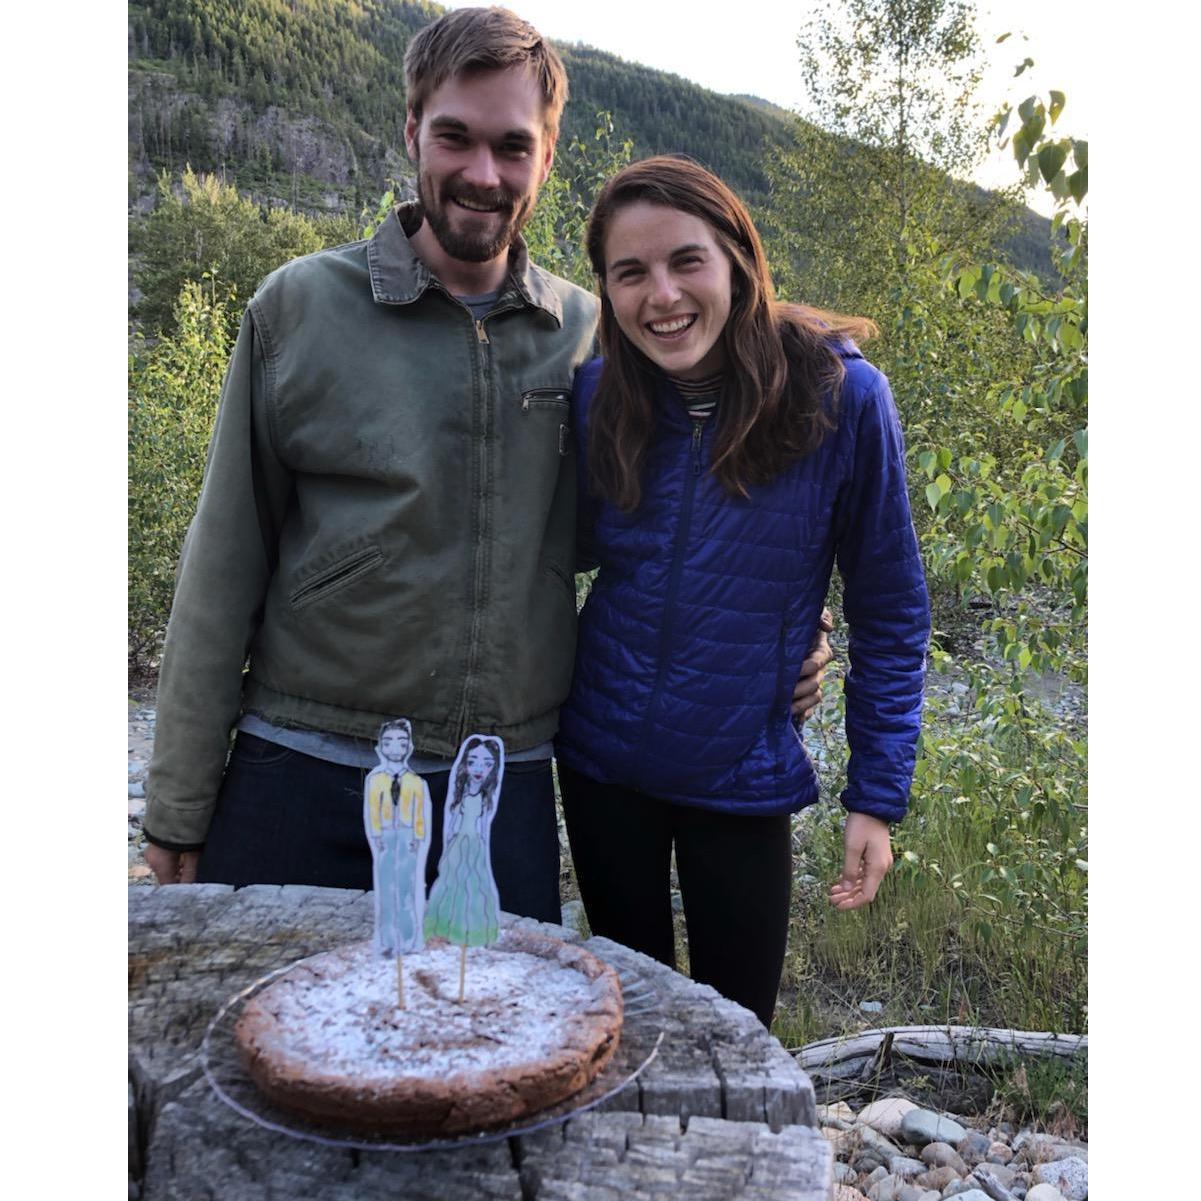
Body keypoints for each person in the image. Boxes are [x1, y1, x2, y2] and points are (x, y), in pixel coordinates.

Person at [141, 7, 832, 917]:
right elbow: (219, 570)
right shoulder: (300, 309)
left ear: (547, 158)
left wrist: (781, 636)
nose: (481, 173)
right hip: (298, 767)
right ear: (410, 132)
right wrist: (179, 808)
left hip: (496, 787)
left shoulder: (596, 336)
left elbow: (675, 531)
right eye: (454, 137)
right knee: (262, 1052)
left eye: (513, 146)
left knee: (490, 1056)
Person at [554, 157, 930, 1028]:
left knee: (735, 1033)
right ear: (606, 290)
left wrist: (875, 796)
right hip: (602, 760)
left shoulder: (838, 398)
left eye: (686, 260)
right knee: (627, 1020)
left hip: (742, 770)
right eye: (630, 272)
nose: (662, 295)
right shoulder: (597, 393)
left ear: (736, 258)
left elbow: (891, 607)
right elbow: (556, 556)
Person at [424, 736, 504, 946]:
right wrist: (450, 840)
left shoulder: (486, 797)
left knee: (475, 886)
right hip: (458, 843)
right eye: (472, 762)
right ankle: (444, 929)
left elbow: (484, 823)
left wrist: (483, 844)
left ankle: (474, 933)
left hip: (475, 845)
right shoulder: (461, 794)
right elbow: (453, 822)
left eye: (487, 764)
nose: (479, 769)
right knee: (451, 883)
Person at [364, 719, 432, 956]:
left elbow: (420, 812)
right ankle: (387, 941)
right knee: (385, 887)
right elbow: (373, 808)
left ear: (409, 748)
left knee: (406, 888)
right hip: (385, 835)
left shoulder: (415, 782)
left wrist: (418, 837)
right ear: (380, 747)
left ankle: (408, 939)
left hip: (406, 836)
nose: (394, 749)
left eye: (401, 744)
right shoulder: (375, 780)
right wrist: (376, 833)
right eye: (388, 743)